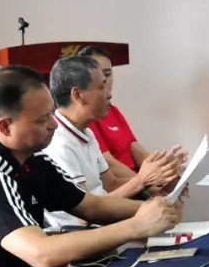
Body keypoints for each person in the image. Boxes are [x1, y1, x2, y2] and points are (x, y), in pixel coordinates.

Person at [0, 66, 184, 267]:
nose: (53, 124)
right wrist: (136, 226)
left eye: (51, 113)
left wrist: (159, 208)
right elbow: (42, 254)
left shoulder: (32, 160)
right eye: (43, 119)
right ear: (5, 126)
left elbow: (91, 206)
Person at [42, 56, 179, 227]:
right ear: (78, 95)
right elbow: (84, 215)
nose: (109, 94)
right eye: (101, 87)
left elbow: (112, 184)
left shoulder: (86, 132)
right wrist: (141, 181)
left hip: (105, 224)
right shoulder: (59, 144)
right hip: (81, 233)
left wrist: (159, 185)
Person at [77, 46, 185, 183]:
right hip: (126, 185)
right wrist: (148, 185)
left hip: (139, 181)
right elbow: (109, 164)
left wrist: (165, 169)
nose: (104, 81)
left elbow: (137, 150)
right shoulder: (87, 117)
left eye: (108, 74)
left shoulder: (113, 110)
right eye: (98, 76)